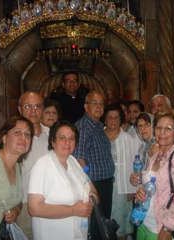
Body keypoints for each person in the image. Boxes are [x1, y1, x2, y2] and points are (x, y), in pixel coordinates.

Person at [28, 120, 98, 240]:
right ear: (53, 141)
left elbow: (91, 189)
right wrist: (73, 210)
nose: (67, 142)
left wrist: (93, 198)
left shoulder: (73, 162)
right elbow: (34, 208)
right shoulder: (44, 164)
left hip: (78, 234)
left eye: (72, 138)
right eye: (62, 138)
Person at [132, 108, 174, 240]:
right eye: (159, 128)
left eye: (168, 128)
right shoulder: (156, 155)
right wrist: (141, 191)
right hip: (144, 221)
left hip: (159, 227)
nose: (162, 132)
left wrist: (167, 228)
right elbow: (152, 185)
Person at [73, 91, 115, 240]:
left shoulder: (97, 126)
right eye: (94, 103)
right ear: (86, 107)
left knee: (102, 227)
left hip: (104, 185)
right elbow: (79, 160)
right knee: (96, 229)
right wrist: (91, 188)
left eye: (101, 103)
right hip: (95, 186)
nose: (98, 106)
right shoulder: (84, 127)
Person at [16, 90, 49, 239]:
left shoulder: (53, 135)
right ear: (20, 109)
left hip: (51, 203)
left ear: (43, 109)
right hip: (24, 204)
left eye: (37, 106)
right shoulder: (13, 138)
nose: (33, 111)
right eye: (28, 106)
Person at [103, 103, 137, 240]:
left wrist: (132, 188)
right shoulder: (99, 136)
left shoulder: (129, 139)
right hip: (103, 187)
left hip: (122, 190)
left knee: (121, 227)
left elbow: (135, 164)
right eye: (109, 117)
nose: (112, 120)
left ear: (121, 119)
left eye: (116, 117)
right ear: (105, 119)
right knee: (103, 225)